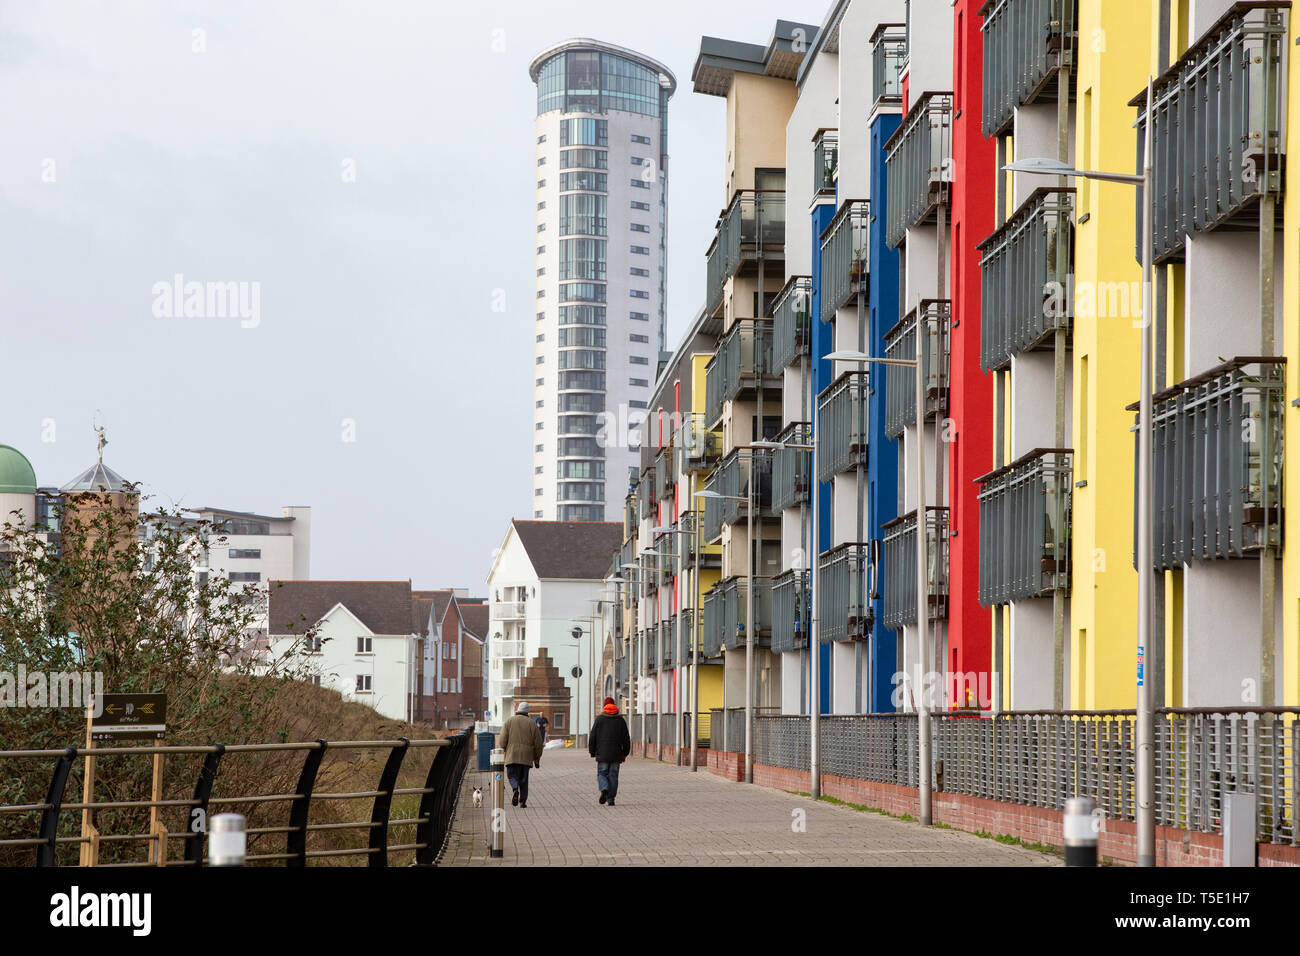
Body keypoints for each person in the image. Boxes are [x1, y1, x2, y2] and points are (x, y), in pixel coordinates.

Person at [499, 700, 544, 808]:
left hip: (512, 755)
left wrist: (505, 748)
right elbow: (538, 743)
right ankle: (523, 801)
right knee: (524, 779)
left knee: (512, 775)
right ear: (527, 712)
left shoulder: (509, 721)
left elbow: (502, 741)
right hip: (526, 757)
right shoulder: (532, 724)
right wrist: (537, 757)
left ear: (518, 710)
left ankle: (515, 788)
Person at [587, 696, 631, 806]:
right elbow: (626, 738)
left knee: (602, 773)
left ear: (604, 707)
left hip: (602, 753)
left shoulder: (599, 719)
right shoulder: (620, 720)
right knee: (613, 776)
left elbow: (592, 737)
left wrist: (592, 752)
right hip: (616, 754)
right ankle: (611, 799)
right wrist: (625, 752)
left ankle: (604, 788)